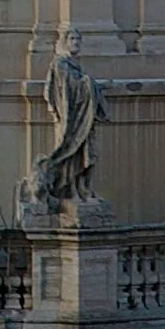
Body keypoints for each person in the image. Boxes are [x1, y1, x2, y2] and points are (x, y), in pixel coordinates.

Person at [31, 26, 104, 207]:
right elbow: (63, 90)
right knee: (70, 152)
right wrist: (86, 83)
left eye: (78, 39)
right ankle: (70, 189)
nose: (76, 43)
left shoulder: (73, 65)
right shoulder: (61, 64)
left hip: (82, 118)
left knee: (88, 153)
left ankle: (83, 188)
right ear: (64, 42)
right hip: (70, 121)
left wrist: (90, 86)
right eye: (72, 39)